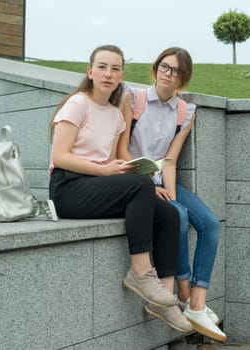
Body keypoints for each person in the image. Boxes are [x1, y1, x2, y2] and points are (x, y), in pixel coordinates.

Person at [48, 45, 192, 333]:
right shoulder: (77, 104)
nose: (108, 73)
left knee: (169, 214)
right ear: (90, 72)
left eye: (115, 69)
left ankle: (163, 301)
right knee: (142, 186)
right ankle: (140, 272)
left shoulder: (115, 114)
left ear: (122, 75)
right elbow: (59, 156)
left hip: (97, 187)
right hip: (68, 189)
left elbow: (113, 158)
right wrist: (107, 171)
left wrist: (139, 171)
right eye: (101, 67)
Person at [118, 47, 226, 342]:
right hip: (135, 181)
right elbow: (122, 148)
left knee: (210, 222)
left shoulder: (184, 111)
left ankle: (197, 303)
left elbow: (171, 159)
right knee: (176, 214)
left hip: (162, 180)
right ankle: (181, 289)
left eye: (176, 71)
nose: (169, 74)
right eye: (165, 67)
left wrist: (167, 189)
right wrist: (148, 184)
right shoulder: (134, 98)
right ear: (155, 68)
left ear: (183, 78)